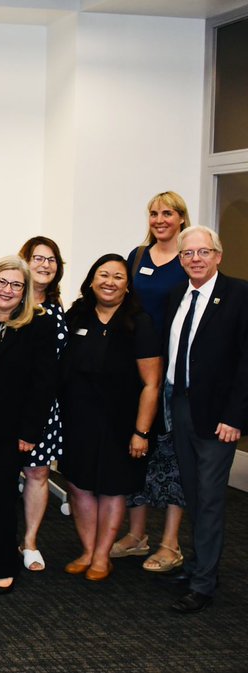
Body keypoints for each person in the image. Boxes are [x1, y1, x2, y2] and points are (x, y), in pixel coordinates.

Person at [58, 255, 161, 582]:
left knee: (112, 489)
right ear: (91, 280)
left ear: (127, 286)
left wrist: (141, 432)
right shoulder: (77, 315)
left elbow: (151, 384)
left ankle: (103, 555)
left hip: (121, 422)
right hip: (77, 418)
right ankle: (87, 550)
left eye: (118, 276)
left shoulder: (139, 322)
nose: (110, 281)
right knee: (79, 486)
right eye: (103, 274)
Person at [162, 226, 248, 613]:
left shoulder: (240, 295)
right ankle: (200, 562)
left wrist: (235, 417)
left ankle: (204, 583)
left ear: (218, 255)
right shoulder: (177, 295)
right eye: (188, 253)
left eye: (203, 252)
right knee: (193, 491)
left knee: (211, 498)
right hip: (181, 405)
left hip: (219, 418)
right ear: (180, 260)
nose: (195, 259)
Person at [0, 256, 57, 595]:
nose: (8, 289)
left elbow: (43, 384)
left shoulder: (38, 326)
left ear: (25, 292)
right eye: (2, 281)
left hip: (9, 430)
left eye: (17, 285)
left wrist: (30, 432)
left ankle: (3, 565)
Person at [113, 191, 192, 574]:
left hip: (174, 371)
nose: (159, 219)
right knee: (136, 451)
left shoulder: (188, 259)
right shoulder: (138, 257)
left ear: (181, 218)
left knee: (172, 456)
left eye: (167, 213)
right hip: (136, 369)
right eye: (153, 213)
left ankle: (170, 543)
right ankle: (136, 535)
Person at [15, 236, 68, 573]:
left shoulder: (62, 307)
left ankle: (30, 541)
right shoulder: (9, 300)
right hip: (9, 404)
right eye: (38, 258)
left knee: (38, 473)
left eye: (51, 259)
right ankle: (2, 537)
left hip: (46, 406)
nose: (45, 264)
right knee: (2, 475)